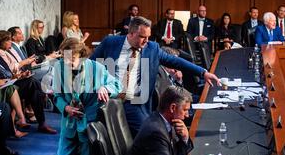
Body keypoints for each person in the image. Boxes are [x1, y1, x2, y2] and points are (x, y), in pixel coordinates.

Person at [90, 16, 220, 138]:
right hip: (109, 100)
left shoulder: (152, 48)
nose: (146, 41)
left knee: (151, 135)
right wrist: (100, 85)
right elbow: (91, 66)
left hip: (134, 102)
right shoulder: (110, 42)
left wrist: (203, 72)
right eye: (142, 37)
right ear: (130, 34)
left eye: (148, 37)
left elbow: (175, 61)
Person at [48, 37, 122, 155]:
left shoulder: (96, 68)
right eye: (64, 59)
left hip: (89, 125)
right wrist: (65, 107)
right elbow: (56, 95)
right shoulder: (58, 68)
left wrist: (105, 87)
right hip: (69, 125)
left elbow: (117, 85)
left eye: (71, 59)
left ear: (81, 56)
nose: (67, 63)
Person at [0, 38, 57, 134]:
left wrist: (19, 76)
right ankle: (42, 119)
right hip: (4, 89)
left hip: (11, 83)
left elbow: (8, 73)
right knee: (32, 82)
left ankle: (42, 123)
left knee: (34, 90)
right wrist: (15, 77)